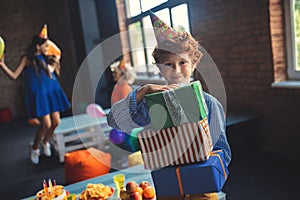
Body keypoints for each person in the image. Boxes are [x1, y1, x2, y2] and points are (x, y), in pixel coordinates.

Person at [107, 12, 231, 199]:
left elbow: (223, 150)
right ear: (158, 67)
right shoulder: (150, 103)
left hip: (202, 185)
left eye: (183, 62)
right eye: (168, 64)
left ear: (194, 63)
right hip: (168, 183)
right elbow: (114, 121)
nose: (176, 70)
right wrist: (144, 91)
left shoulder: (209, 103)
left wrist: (207, 169)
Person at [0, 24, 70, 164]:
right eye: (44, 46)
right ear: (37, 46)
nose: (46, 49)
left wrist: (46, 39)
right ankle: (35, 148)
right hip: (40, 94)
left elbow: (57, 51)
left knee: (56, 122)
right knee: (46, 124)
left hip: (51, 92)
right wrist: (2, 64)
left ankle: (45, 142)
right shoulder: (27, 59)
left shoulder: (49, 58)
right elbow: (14, 76)